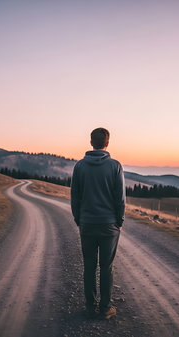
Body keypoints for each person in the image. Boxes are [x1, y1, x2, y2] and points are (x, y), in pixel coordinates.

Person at [70, 127, 125, 320]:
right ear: (107, 143)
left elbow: (74, 197)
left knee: (89, 266)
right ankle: (105, 308)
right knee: (106, 267)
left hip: (87, 223)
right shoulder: (115, 166)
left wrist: (79, 219)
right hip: (109, 224)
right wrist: (119, 221)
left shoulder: (79, 166)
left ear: (91, 142)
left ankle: (89, 307)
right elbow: (120, 199)